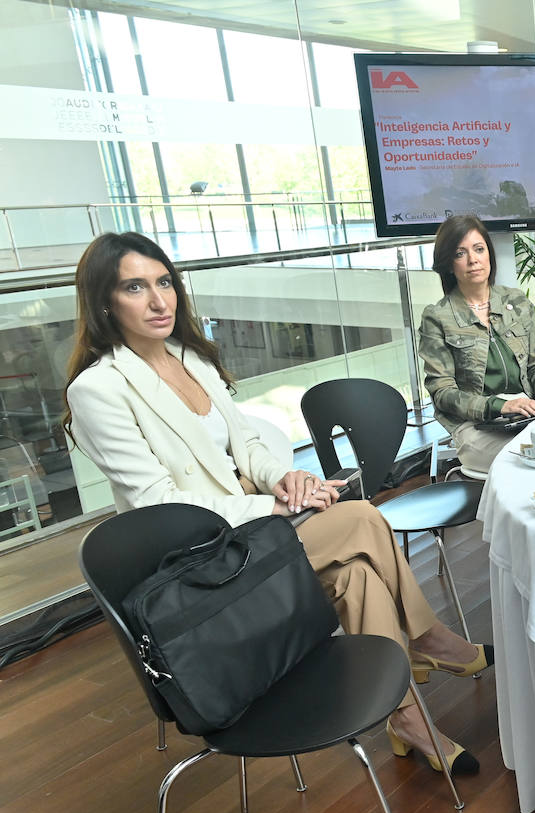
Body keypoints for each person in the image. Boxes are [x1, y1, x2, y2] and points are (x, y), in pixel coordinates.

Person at [63, 232, 492, 777]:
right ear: (105, 302)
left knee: (359, 575)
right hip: (204, 565)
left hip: (250, 539)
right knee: (361, 516)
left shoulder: (188, 357)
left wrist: (286, 480)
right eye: (135, 287)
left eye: (164, 282)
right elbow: (157, 505)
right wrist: (268, 509)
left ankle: (405, 718)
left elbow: (247, 443)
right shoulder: (98, 390)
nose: (158, 301)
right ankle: (427, 637)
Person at [419, 215, 535, 476]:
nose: (473, 259)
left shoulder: (515, 301)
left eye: (479, 249)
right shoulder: (437, 317)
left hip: (525, 413)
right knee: (534, 458)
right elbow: (443, 393)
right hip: (474, 426)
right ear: (449, 263)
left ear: (489, 255)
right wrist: (498, 406)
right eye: (460, 253)